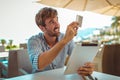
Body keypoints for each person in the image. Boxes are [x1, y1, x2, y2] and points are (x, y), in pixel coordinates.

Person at [27, 7, 94, 76]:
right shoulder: (33, 41)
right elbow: (39, 64)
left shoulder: (66, 38)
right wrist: (64, 40)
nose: (57, 25)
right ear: (42, 28)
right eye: (52, 22)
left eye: (57, 20)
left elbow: (79, 60)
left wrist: (87, 67)